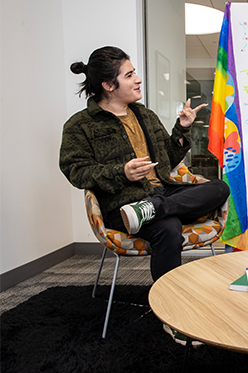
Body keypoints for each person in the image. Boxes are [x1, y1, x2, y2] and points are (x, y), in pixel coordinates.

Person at [59, 46, 230, 281]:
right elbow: (76, 171)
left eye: (134, 73)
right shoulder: (79, 125)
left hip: (162, 194)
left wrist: (183, 127)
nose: (138, 80)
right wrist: (122, 173)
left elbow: (167, 159)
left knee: (219, 188)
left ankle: (155, 209)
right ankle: (167, 304)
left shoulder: (145, 115)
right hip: (123, 205)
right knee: (169, 229)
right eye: (129, 75)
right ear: (108, 85)